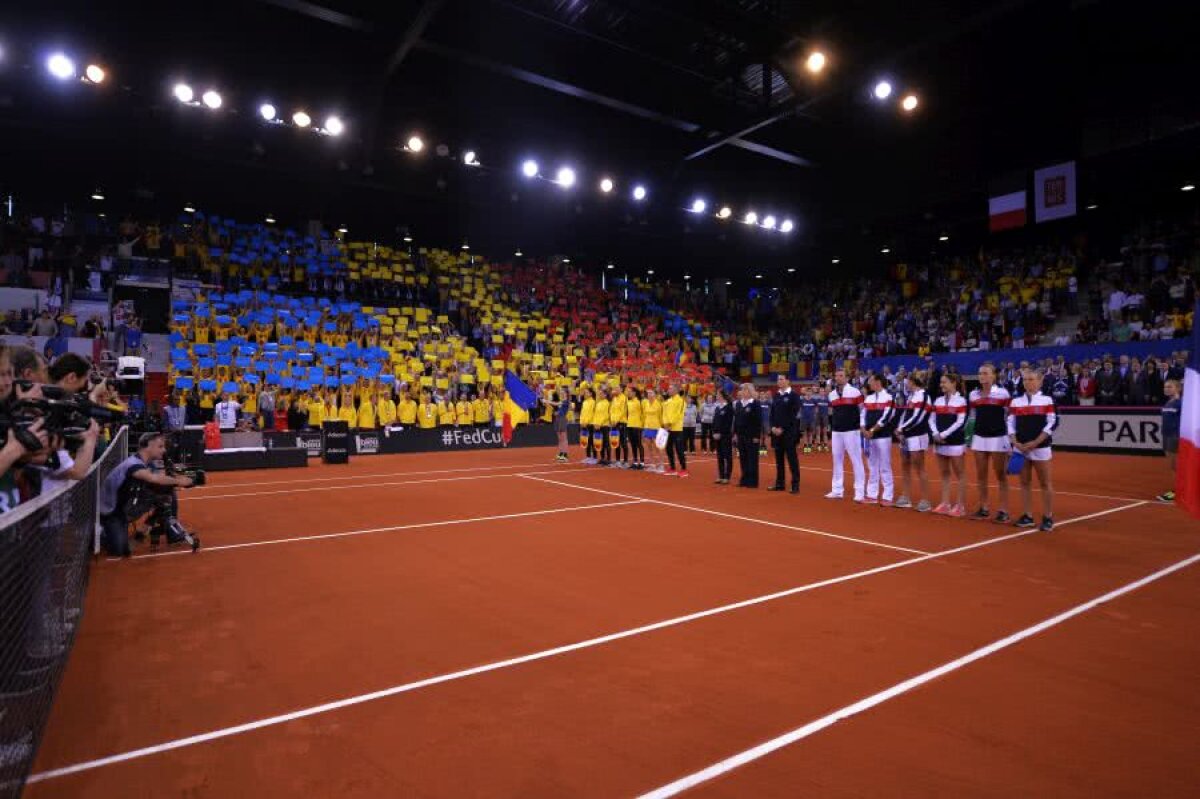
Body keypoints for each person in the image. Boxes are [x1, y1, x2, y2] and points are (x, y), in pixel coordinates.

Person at [98, 432, 194, 557]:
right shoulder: (133, 464)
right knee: (120, 551)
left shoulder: (146, 462)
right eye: (160, 446)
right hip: (112, 512)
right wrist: (180, 481)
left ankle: (168, 531)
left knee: (167, 493)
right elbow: (154, 478)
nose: (164, 450)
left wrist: (181, 477)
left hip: (127, 505)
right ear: (148, 445)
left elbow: (160, 477)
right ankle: (101, 534)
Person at [1008, 367, 1057, 531]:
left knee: (1045, 483)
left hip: (1040, 447)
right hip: (1021, 448)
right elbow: (1010, 423)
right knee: (1024, 482)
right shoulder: (1016, 401)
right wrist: (1015, 442)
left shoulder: (1047, 400)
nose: (1027, 382)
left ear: (1040, 381)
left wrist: (1035, 442)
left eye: (1031, 379)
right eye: (1025, 379)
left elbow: (1052, 423)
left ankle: (1048, 517)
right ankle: (1027, 515)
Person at [968, 363, 1012, 522]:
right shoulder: (973, 395)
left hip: (998, 437)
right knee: (981, 475)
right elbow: (972, 416)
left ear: (994, 376)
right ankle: (983, 508)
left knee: (1000, 475)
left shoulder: (1003, 394)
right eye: (980, 373)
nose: (982, 376)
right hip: (979, 437)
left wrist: (1009, 439)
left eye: (986, 373)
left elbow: (1009, 416)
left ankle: (1003, 510)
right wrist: (969, 436)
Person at [929, 372, 968, 516]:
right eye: (941, 382)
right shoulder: (938, 400)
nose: (941, 385)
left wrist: (943, 435)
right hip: (939, 441)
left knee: (960, 474)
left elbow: (960, 421)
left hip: (955, 441)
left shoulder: (961, 401)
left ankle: (960, 506)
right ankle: (945, 503)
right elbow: (931, 419)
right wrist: (935, 434)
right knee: (944, 474)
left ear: (953, 383)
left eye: (944, 382)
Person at [894, 371, 932, 512]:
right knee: (905, 466)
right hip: (906, 436)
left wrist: (901, 429)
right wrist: (900, 428)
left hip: (917, 436)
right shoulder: (912, 396)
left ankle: (925, 500)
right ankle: (906, 497)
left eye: (907, 381)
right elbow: (906, 415)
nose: (906, 384)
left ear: (913, 382)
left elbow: (918, 417)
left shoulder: (923, 396)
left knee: (919, 467)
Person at [826, 369, 865, 502]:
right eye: (836, 376)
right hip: (837, 431)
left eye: (841, 376)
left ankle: (859, 492)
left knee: (856, 460)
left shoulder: (855, 392)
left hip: (852, 431)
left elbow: (862, 410)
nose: (838, 378)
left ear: (847, 378)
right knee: (836, 460)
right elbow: (832, 413)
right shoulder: (831, 395)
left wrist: (861, 426)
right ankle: (837, 490)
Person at [860, 373, 896, 506]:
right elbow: (863, 414)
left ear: (878, 382)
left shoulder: (889, 398)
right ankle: (872, 495)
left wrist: (872, 430)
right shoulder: (868, 398)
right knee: (872, 466)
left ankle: (887, 496)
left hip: (883, 436)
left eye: (870, 381)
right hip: (869, 437)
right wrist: (863, 429)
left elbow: (887, 417)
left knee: (885, 466)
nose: (868, 384)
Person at [769, 374, 801, 493]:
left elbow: (793, 415)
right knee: (779, 460)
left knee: (792, 459)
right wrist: (772, 427)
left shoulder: (794, 396)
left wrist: (782, 428)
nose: (779, 381)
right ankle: (780, 483)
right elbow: (772, 413)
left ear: (788, 381)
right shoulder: (776, 395)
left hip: (789, 433)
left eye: (781, 379)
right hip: (776, 433)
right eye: (778, 379)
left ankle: (795, 485)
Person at [1157, 378, 1182, 502]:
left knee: (1176, 465)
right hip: (1166, 435)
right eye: (1165, 387)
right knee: (1173, 466)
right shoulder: (1168, 403)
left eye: (1170, 387)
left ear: (1178, 389)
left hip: (1175, 436)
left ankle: (1179, 491)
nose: (1166, 389)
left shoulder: (1180, 403)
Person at [733, 382, 761, 488]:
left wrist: (756, 436)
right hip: (741, 435)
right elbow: (736, 420)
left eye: (745, 390)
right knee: (743, 458)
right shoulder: (739, 403)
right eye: (742, 390)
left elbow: (758, 421)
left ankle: (753, 481)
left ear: (750, 391)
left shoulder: (755, 403)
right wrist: (735, 433)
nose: (743, 392)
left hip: (751, 435)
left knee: (752, 459)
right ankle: (744, 479)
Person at [661, 384, 687, 477]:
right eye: (668, 389)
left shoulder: (681, 401)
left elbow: (679, 414)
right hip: (667, 428)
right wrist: (665, 423)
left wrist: (670, 423)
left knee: (679, 449)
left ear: (676, 390)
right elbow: (664, 413)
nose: (668, 390)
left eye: (670, 388)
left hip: (677, 428)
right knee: (668, 448)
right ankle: (672, 468)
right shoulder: (667, 401)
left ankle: (684, 469)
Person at [712, 389, 735, 484]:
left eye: (717, 394)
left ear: (722, 395)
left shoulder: (729, 408)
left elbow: (728, 423)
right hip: (717, 436)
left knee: (727, 456)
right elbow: (715, 422)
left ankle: (727, 476)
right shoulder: (717, 408)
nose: (716, 395)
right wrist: (714, 432)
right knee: (720, 456)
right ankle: (721, 476)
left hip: (725, 435)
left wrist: (720, 433)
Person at [642, 387, 663, 473]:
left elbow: (661, 416)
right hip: (647, 427)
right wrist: (644, 427)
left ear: (655, 394)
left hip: (656, 427)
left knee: (657, 447)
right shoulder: (645, 403)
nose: (649, 395)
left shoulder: (658, 404)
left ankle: (661, 465)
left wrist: (661, 428)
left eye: (651, 393)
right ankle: (652, 464)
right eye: (648, 393)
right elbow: (644, 415)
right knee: (649, 447)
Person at [548, 386, 570, 462]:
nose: (562, 393)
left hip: (562, 419)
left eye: (563, 392)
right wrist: (556, 413)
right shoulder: (562, 401)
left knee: (563, 438)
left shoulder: (566, 401)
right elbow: (559, 409)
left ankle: (565, 454)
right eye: (561, 392)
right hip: (558, 419)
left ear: (566, 393)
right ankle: (561, 453)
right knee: (559, 438)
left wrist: (547, 401)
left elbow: (557, 404)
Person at [625, 385, 645, 470]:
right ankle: (635, 462)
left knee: (639, 444)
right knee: (632, 444)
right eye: (628, 392)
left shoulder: (640, 402)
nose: (628, 393)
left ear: (634, 393)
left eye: (629, 392)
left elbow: (643, 414)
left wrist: (642, 425)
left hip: (637, 425)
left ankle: (642, 462)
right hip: (629, 425)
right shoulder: (628, 402)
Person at [610, 382, 628, 468]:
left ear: (621, 389)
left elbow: (622, 411)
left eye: (617, 388)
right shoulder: (614, 398)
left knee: (623, 442)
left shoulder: (624, 398)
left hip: (621, 422)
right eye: (615, 388)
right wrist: (612, 420)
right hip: (614, 422)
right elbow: (611, 410)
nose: (615, 390)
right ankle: (617, 461)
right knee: (616, 442)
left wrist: (616, 420)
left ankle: (625, 461)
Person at [593, 386, 612, 466]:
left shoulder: (607, 403)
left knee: (606, 442)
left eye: (601, 394)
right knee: (600, 442)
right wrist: (595, 423)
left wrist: (599, 423)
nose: (600, 395)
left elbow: (607, 415)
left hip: (605, 425)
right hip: (598, 425)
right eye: (599, 394)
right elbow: (596, 414)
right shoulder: (598, 403)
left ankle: (608, 459)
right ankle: (602, 458)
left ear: (605, 395)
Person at [579, 387, 596, 464]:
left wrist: (587, 422)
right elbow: (582, 413)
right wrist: (581, 422)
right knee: (586, 441)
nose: (585, 394)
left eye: (586, 392)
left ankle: (594, 458)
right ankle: (588, 456)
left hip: (590, 424)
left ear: (591, 394)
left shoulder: (593, 402)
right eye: (584, 392)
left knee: (592, 441)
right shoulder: (584, 402)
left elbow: (591, 414)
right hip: (584, 424)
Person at [799, 387, 817, 454]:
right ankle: (806, 446)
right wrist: (802, 415)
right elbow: (799, 408)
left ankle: (809, 446)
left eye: (810, 392)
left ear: (811, 393)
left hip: (811, 419)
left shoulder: (814, 400)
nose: (809, 393)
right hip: (804, 419)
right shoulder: (802, 400)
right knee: (805, 433)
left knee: (811, 433)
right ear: (805, 392)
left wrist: (814, 415)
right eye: (807, 391)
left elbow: (816, 408)